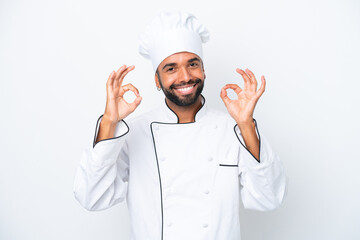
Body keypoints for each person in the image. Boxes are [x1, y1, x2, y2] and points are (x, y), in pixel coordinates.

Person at [73, 12, 286, 240]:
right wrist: (109, 121)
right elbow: (91, 197)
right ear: (157, 80)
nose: (185, 77)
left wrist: (246, 125)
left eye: (192, 64)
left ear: (203, 70)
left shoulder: (233, 129)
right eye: (171, 68)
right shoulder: (136, 132)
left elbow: (269, 198)